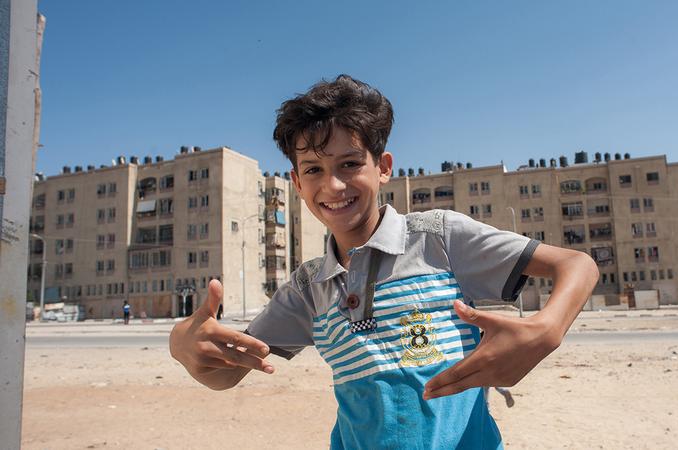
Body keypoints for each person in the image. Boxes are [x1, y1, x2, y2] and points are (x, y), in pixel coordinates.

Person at [169, 75, 599, 449]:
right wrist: (183, 344)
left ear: (383, 167)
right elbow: (225, 375)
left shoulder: (439, 238)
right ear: (297, 183)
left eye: (350, 163)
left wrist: (546, 328)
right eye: (314, 170)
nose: (333, 185)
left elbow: (577, 265)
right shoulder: (308, 288)